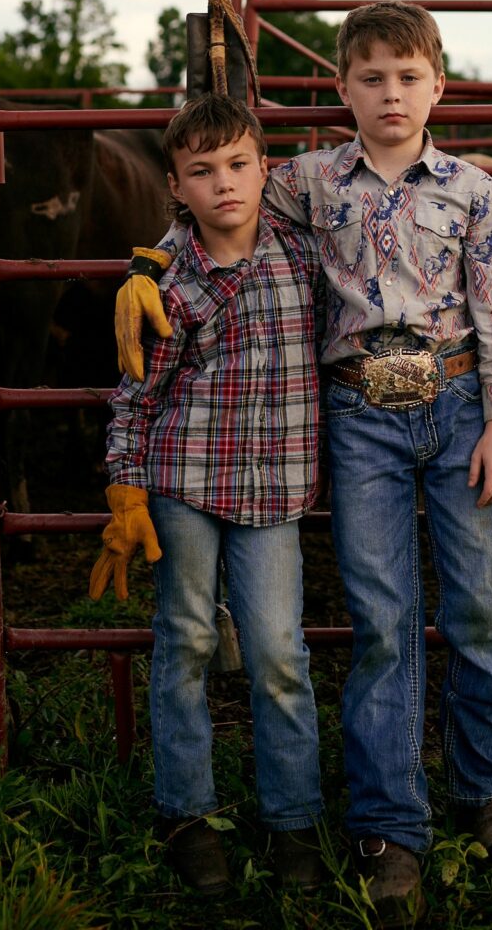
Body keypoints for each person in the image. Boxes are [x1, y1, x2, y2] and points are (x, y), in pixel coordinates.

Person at [116, 2, 492, 927]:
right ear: (341, 88)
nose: (391, 94)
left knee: (477, 603)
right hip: (358, 412)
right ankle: (389, 826)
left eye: (408, 76)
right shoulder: (304, 179)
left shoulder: (473, 190)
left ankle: (487, 789)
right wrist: (146, 264)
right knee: (383, 615)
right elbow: (209, 197)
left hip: (462, 402)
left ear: (439, 84)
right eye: (372, 78)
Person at [90, 93, 326, 896]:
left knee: (278, 655)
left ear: (267, 168)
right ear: (175, 187)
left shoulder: (303, 251)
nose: (224, 184)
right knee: (186, 639)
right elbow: (135, 395)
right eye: (202, 172)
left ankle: (293, 819)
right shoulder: (167, 281)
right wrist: (126, 484)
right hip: (184, 483)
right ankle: (186, 813)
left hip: (275, 489)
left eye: (238, 165)